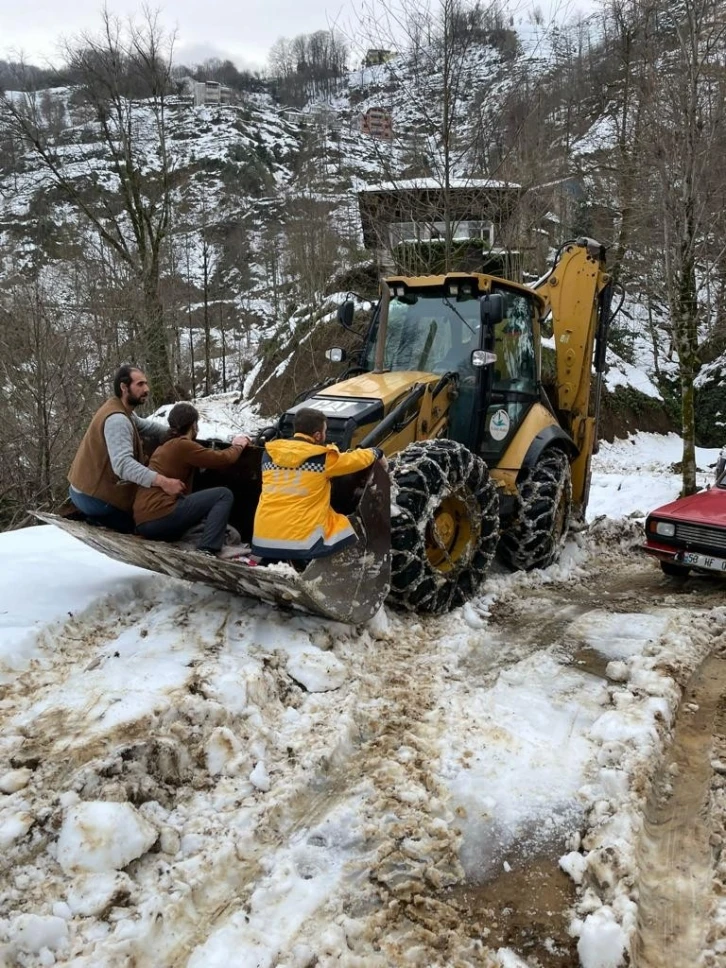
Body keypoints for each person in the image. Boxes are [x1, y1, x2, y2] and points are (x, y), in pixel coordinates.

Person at [251, 408, 387, 563]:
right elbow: (355, 459)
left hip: (263, 539)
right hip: (304, 544)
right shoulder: (323, 459)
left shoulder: (268, 454)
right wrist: (377, 452)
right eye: (324, 431)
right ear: (317, 435)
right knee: (347, 526)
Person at [68, 365, 185, 533]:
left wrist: (175, 434)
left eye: (146, 384)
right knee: (150, 524)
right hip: (93, 497)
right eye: (140, 384)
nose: (147, 389)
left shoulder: (120, 409)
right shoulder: (117, 420)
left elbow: (146, 426)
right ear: (124, 387)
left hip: (82, 489)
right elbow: (123, 465)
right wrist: (164, 481)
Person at [134, 402, 250, 556]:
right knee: (223, 494)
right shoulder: (183, 445)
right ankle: (207, 550)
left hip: (144, 521)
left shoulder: (165, 446)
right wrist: (238, 446)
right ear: (194, 425)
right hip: (160, 515)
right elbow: (223, 459)